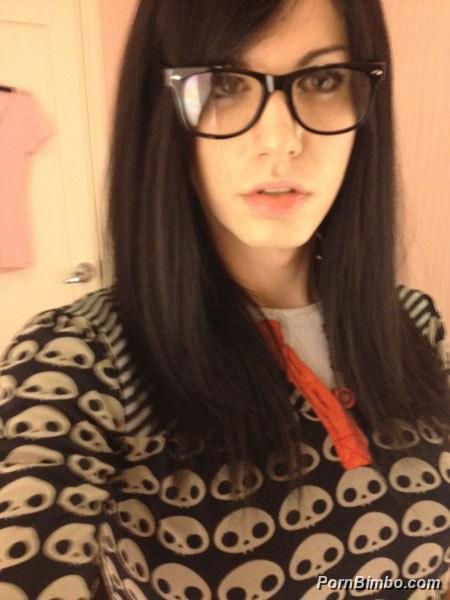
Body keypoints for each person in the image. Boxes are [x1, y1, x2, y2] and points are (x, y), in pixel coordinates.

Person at [0, 0, 449, 598]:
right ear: (162, 114)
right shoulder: (81, 359)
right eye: (225, 85)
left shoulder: (414, 320)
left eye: (322, 81)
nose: (280, 141)